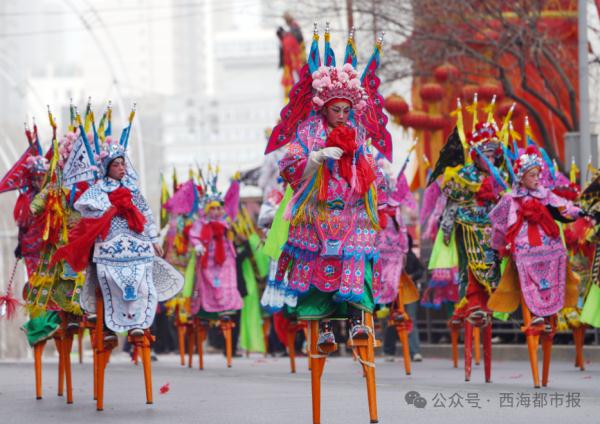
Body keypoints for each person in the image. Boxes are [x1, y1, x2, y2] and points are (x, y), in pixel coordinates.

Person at [53, 137, 174, 338]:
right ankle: (106, 325)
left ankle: (138, 322)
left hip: (135, 241)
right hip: (108, 242)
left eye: (123, 164)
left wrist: (153, 240)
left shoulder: (133, 189)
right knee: (105, 276)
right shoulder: (99, 189)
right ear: (107, 168)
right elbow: (84, 209)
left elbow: (146, 214)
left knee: (143, 280)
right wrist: (107, 210)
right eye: (116, 164)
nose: (121, 168)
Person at [488, 146, 583, 327]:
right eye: (533, 175)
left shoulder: (544, 194)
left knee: (559, 256)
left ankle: (549, 313)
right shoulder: (510, 199)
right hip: (524, 249)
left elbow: (564, 207)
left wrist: (581, 212)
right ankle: (534, 313)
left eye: (538, 174)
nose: (537, 178)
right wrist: (496, 250)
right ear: (521, 178)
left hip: (549, 245)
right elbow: (499, 226)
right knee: (525, 266)